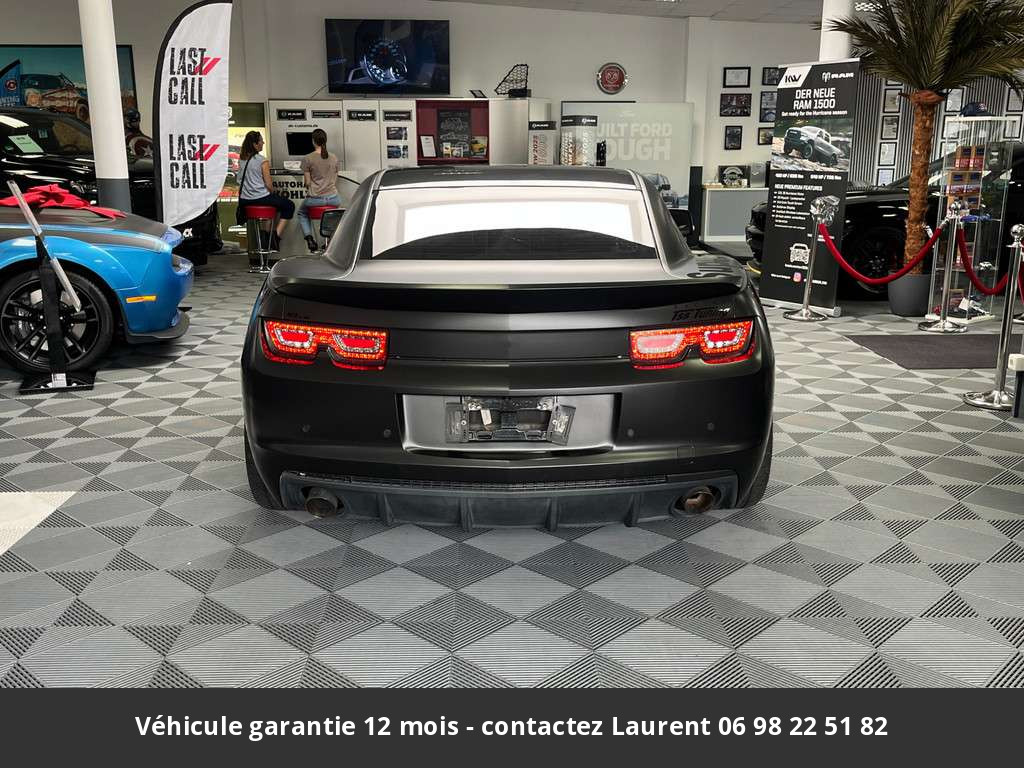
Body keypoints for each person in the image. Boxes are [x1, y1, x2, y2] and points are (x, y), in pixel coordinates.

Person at [237, 130, 294, 250]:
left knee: (273, 208)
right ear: (255, 144)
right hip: (260, 198)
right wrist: (273, 192)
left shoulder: (241, 159)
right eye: (261, 141)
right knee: (289, 205)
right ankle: (275, 237)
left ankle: (265, 237)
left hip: (245, 200)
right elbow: (269, 185)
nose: (263, 143)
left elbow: (239, 180)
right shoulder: (262, 160)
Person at [298, 128, 342, 252]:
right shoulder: (334, 158)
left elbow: (307, 182)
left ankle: (309, 238)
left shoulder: (308, 158)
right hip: (334, 199)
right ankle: (329, 242)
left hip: (315, 199)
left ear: (313, 141)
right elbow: (335, 179)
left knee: (302, 213)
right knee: (335, 215)